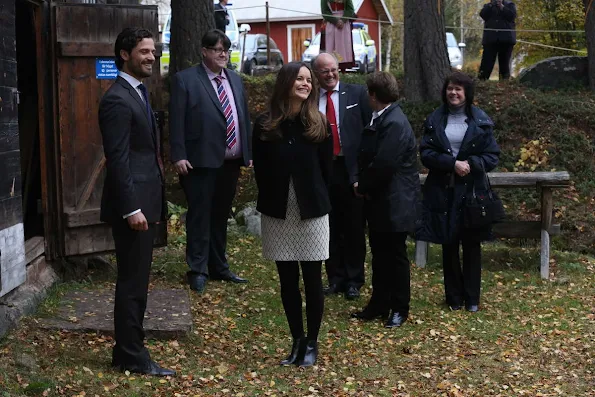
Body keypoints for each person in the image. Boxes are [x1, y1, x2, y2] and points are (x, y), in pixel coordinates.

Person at [98, 27, 174, 376]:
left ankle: (123, 350)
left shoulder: (140, 94)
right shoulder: (116, 99)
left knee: (137, 280)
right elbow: (119, 159)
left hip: (146, 202)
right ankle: (132, 354)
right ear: (124, 54)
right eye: (144, 51)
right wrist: (131, 208)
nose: (151, 56)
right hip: (134, 207)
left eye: (154, 51)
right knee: (132, 283)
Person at [252, 62, 333, 367]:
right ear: (285, 82)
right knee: (287, 281)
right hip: (277, 210)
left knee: (312, 280)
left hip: (311, 211)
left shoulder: (318, 123)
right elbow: (260, 169)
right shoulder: (264, 124)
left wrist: (315, 197)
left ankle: (312, 342)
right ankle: (296, 340)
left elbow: (327, 171)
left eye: (308, 79)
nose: (306, 83)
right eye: (299, 78)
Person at [169, 29, 251, 294]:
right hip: (199, 161)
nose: (223, 54)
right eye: (217, 49)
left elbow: (241, 117)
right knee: (200, 215)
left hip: (230, 161)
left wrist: (247, 153)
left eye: (226, 49)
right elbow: (176, 121)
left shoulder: (235, 80)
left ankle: (219, 266)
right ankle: (197, 269)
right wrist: (178, 154)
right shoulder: (186, 80)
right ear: (204, 51)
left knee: (220, 216)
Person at [416, 72, 500, 312]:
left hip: (472, 193)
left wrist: (470, 164)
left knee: (472, 245)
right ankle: (453, 298)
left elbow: (492, 155)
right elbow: (426, 153)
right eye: (450, 88)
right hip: (443, 191)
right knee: (448, 244)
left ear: (467, 94)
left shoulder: (481, 121)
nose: (453, 93)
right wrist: (451, 164)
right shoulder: (435, 119)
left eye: (459, 89)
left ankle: (472, 299)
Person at [351, 71, 419, 328]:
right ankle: (379, 304)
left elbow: (384, 163)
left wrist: (361, 185)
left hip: (395, 200)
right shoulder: (382, 118)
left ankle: (400, 308)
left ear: (373, 95)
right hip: (382, 200)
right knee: (380, 255)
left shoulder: (394, 123)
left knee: (395, 256)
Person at [311, 52, 371, 300]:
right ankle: (335, 278)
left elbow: (369, 130)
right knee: (329, 226)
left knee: (354, 226)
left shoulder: (357, 94)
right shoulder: (311, 99)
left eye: (333, 69)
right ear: (316, 74)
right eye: (324, 71)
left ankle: (354, 279)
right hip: (325, 169)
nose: (330, 74)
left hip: (351, 168)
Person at [478, 0, 517, 80]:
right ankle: (482, 81)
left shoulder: (510, 5)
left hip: (506, 40)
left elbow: (512, 16)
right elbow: (482, 15)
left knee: (504, 65)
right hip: (490, 40)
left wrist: (502, 7)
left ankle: (504, 84)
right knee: (486, 64)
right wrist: (491, 6)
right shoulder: (488, 6)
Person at [320, 0, 356, 71]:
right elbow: (325, 12)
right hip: (331, 23)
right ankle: (331, 65)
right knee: (331, 45)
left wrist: (343, 20)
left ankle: (343, 68)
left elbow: (350, 9)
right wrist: (335, 21)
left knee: (343, 45)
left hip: (344, 24)